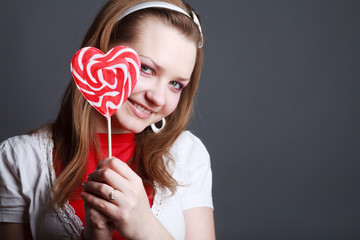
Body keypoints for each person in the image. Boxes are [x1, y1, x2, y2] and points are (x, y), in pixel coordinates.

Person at [0, 0, 214, 239]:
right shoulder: (19, 159)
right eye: (145, 68)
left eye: (176, 84)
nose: (157, 98)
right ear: (101, 53)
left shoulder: (187, 155)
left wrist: (144, 227)